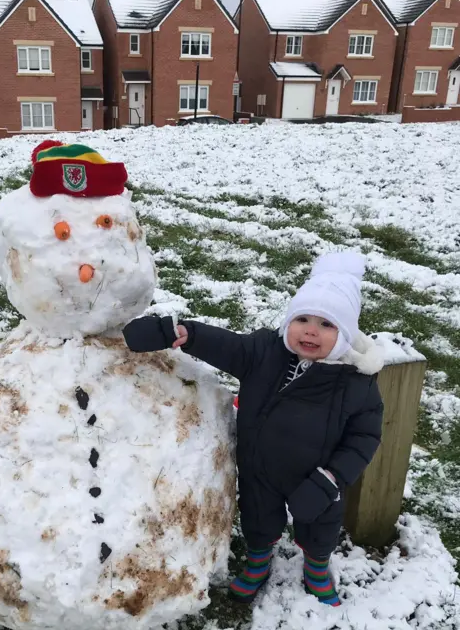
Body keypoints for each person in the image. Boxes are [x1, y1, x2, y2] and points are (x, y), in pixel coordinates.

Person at [122, 251, 384, 608]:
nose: (310, 330)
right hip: (260, 466)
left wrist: (332, 478)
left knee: (320, 525)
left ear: (344, 335)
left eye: (327, 324)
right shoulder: (264, 352)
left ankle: (318, 568)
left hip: (319, 475)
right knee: (259, 515)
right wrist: (183, 332)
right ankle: (259, 559)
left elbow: (364, 437)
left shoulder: (356, 383)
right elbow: (225, 345)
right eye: (302, 318)